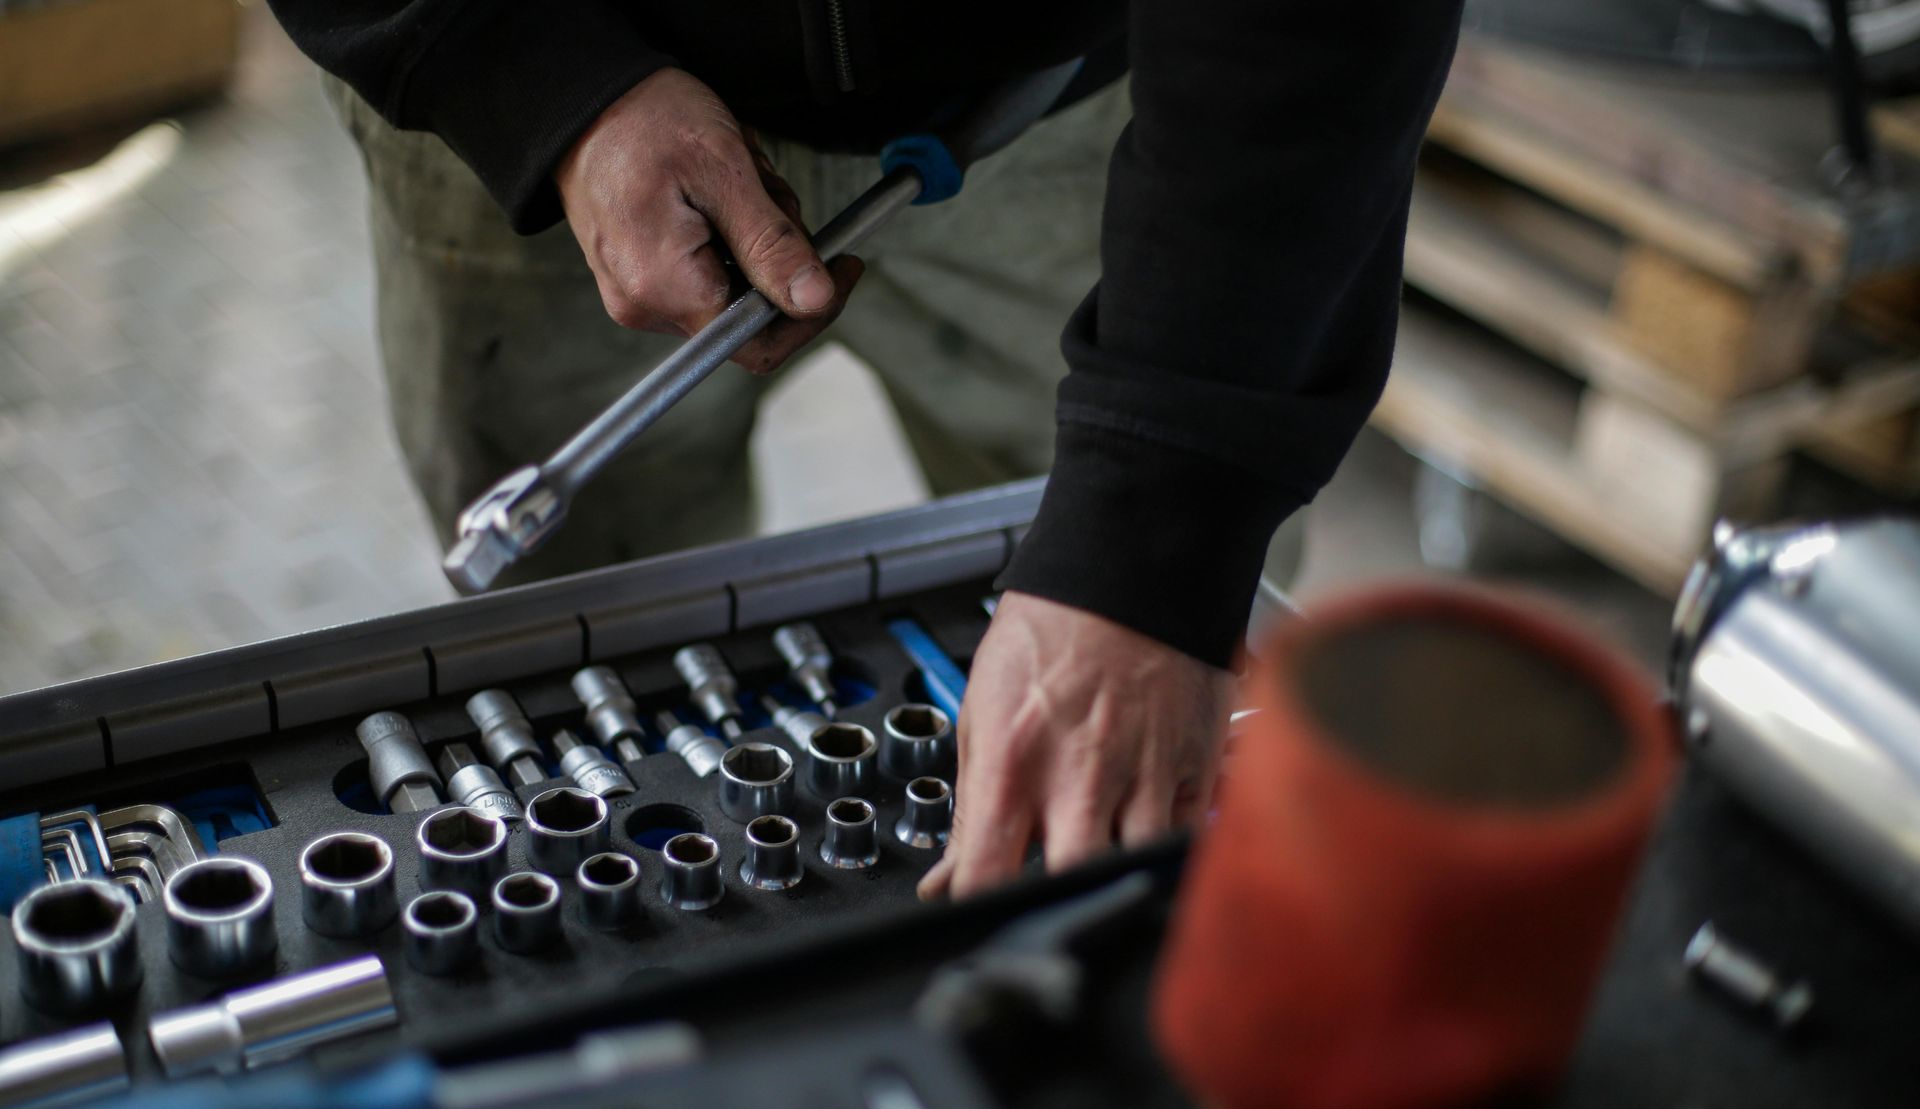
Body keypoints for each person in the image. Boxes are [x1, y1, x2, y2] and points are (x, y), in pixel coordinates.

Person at [264, 1, 1465, 899]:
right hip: (547, 113)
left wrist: (1164, 512)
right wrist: (532, 79)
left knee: (1147, 679)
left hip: (1069, 115)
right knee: (575, 674)